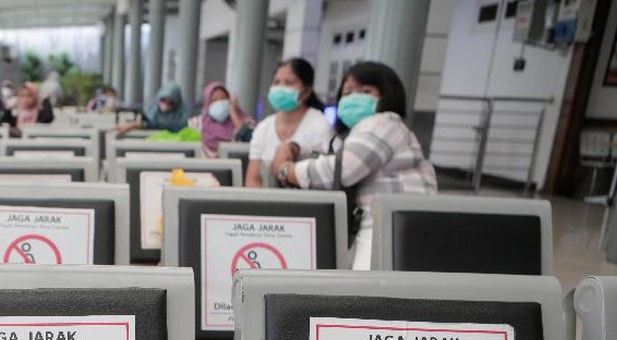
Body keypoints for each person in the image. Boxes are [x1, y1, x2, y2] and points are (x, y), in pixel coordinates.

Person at [272, 61, 437, 270]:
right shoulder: (358, 132)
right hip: (383, 224)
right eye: (347, 92)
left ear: (387, 94)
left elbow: (341, 170)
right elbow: (328, 148)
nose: (352, 98)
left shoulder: (384, 123)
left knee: (369, 293)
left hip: (393, 228)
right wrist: (294, 147)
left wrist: (286, 170)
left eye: (365, 91)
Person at [245, 58, 333, 187]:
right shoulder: (264, 127)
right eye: (276, 82)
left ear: (306, 92)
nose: (280, 88)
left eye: (289, 83)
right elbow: (253, 179)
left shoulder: (320, 124)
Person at [187, 81, 254, 158]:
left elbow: (251, 140)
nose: (219, 103)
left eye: (223, 99)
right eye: (214, 100)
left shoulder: (245, 121)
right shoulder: (197, 124)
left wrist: (234, 113)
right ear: (207, 103)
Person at [115, 82, 190, 135]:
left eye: (170, 103)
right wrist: (133, 125)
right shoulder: (150, 113)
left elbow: (174, 127)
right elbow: (148, 123)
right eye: (163, 100)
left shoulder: (183, 118)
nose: (165, 104)